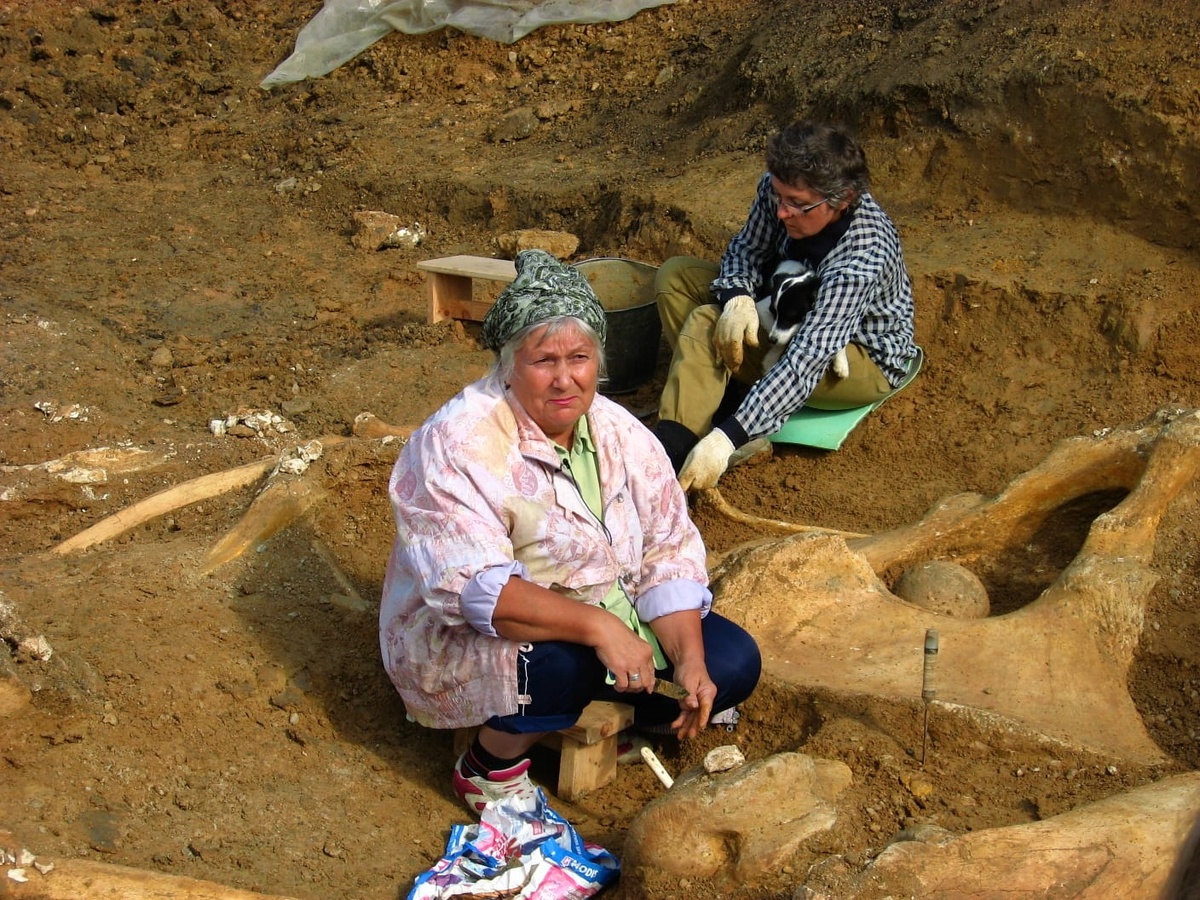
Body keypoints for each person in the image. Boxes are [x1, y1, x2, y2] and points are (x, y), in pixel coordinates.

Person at [379, 249, 762, 815]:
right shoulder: (460, 443)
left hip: (608, 615)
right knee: (561, 665)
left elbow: (667, 548)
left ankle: (630, 711)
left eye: (579, 358)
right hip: (471, 634)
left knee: (731, 662)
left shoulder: (617, 430)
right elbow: (474, 591)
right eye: (543, 361)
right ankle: (488, 768)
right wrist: (598, 625)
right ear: (508, 365)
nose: (565, 379)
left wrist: (687, 656)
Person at [652, 119, 919, 490]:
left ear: (841, 200)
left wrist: (726, 440)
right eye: (780, 197)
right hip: (785, 301)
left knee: (704, 322)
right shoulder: (782, 190)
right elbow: (747, 250)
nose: (782, 212)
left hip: (855, 355)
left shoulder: (863, 254)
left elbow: (807, 360)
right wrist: (738, 298)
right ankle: (727, 399)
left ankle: (672, 457)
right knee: (676, 278)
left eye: (798, 206)